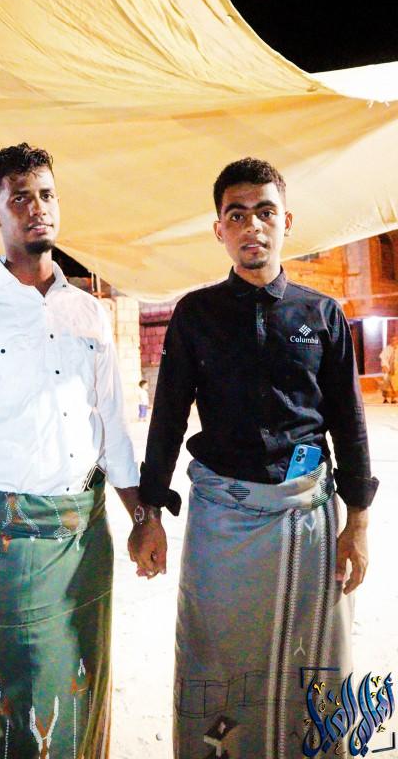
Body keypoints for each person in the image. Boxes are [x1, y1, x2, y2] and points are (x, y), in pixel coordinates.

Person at [0, 142, 166, 758]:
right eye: (21, 198)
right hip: (8, 543)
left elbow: (112, 431)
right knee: (18, 705)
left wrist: (142, 518)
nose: (38, 209)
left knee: (85, 689)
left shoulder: (89, 313)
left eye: (47, 195)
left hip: (86, 539)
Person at [132, 158, 379, 758]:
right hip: (222, 519)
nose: (252, 226)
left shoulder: (321, 315)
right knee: (215, 650)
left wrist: (358, 525)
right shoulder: (196, 314)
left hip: (307, 520)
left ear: (286, 221)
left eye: (265, 212)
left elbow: (349, 424)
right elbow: (167, 419)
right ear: (219, 228)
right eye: (237, 215)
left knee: (313, 657)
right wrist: (149, 515)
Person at [378, 335, 398, 403]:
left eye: (395, 340)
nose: (394, 341)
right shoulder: (387, 349)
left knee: (395, 385)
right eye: (393, 340)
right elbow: (383, 358)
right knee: (386, 384)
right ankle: (385, 398)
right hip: (388, 369)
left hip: (396, 370)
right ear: (390, 341)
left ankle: (393, 398)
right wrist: (384, 366)